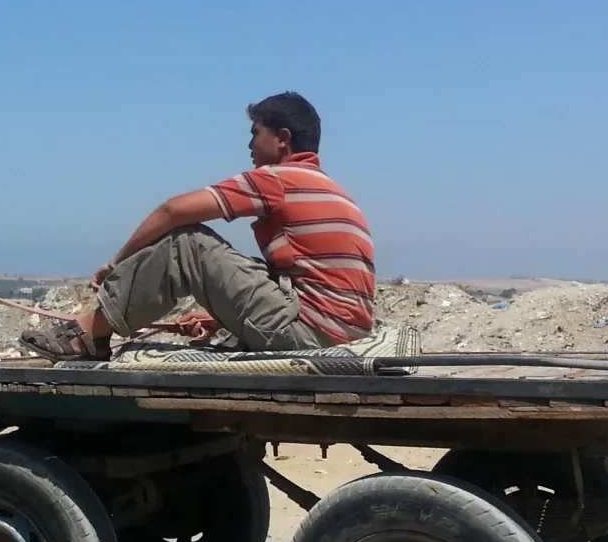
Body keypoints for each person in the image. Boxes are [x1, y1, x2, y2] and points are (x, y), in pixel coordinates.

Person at [21, 92, 374, 360]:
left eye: (255, 133)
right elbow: (297, 280)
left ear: (282, 138)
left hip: (311, 333)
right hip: (337, 332)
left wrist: (115, 264)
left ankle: (88, 332)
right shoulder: (331, 189)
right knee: (246, 263)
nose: (249, 144)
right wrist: (218, 315)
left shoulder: (278, 179)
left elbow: (173, 211)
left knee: (187, 243)